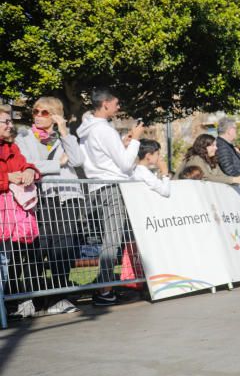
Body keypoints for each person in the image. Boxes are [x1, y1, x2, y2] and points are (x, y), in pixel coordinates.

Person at [15, 97, 85, 313]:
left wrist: (64, 130)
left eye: (44, 112)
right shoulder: (24, 136)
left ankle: (58, 298)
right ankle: (29, 298)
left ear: (54, 115)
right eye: (35, 111)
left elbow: (77, 161)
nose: (37, 115)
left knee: (64, 251)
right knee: (38, 248)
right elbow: (27, 163)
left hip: (67, 198)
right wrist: (57, 163)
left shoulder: (65, 136)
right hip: (42, 199)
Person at [77, 87, 144, 307]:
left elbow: (100, 158)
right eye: (116, 103)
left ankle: (104, 286)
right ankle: (105, 290)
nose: (119, 107)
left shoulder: (87, 129)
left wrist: (124, 143)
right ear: (105, 104)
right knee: (113, 240)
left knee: (110, 240)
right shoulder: (104, 130)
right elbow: (125, 164)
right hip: (112, 187)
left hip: (96, 187)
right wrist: (135, 141)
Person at [1, 105, 42, 318]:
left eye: (10, 121)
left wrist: (28, 171)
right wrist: (7, 178)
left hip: (7, 213)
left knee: (6, 259)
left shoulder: (12, 147)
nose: (10, 125)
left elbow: (27, 165)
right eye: (5, 122)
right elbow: (6, 175)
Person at [175, 134, 240, 187]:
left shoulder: (212, 160)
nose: (216, 148)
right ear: (203, 147)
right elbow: (206, 177)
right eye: (212, 145)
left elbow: (222, 176)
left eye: (216, 145)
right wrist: (234, 180)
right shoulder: (195, 159)